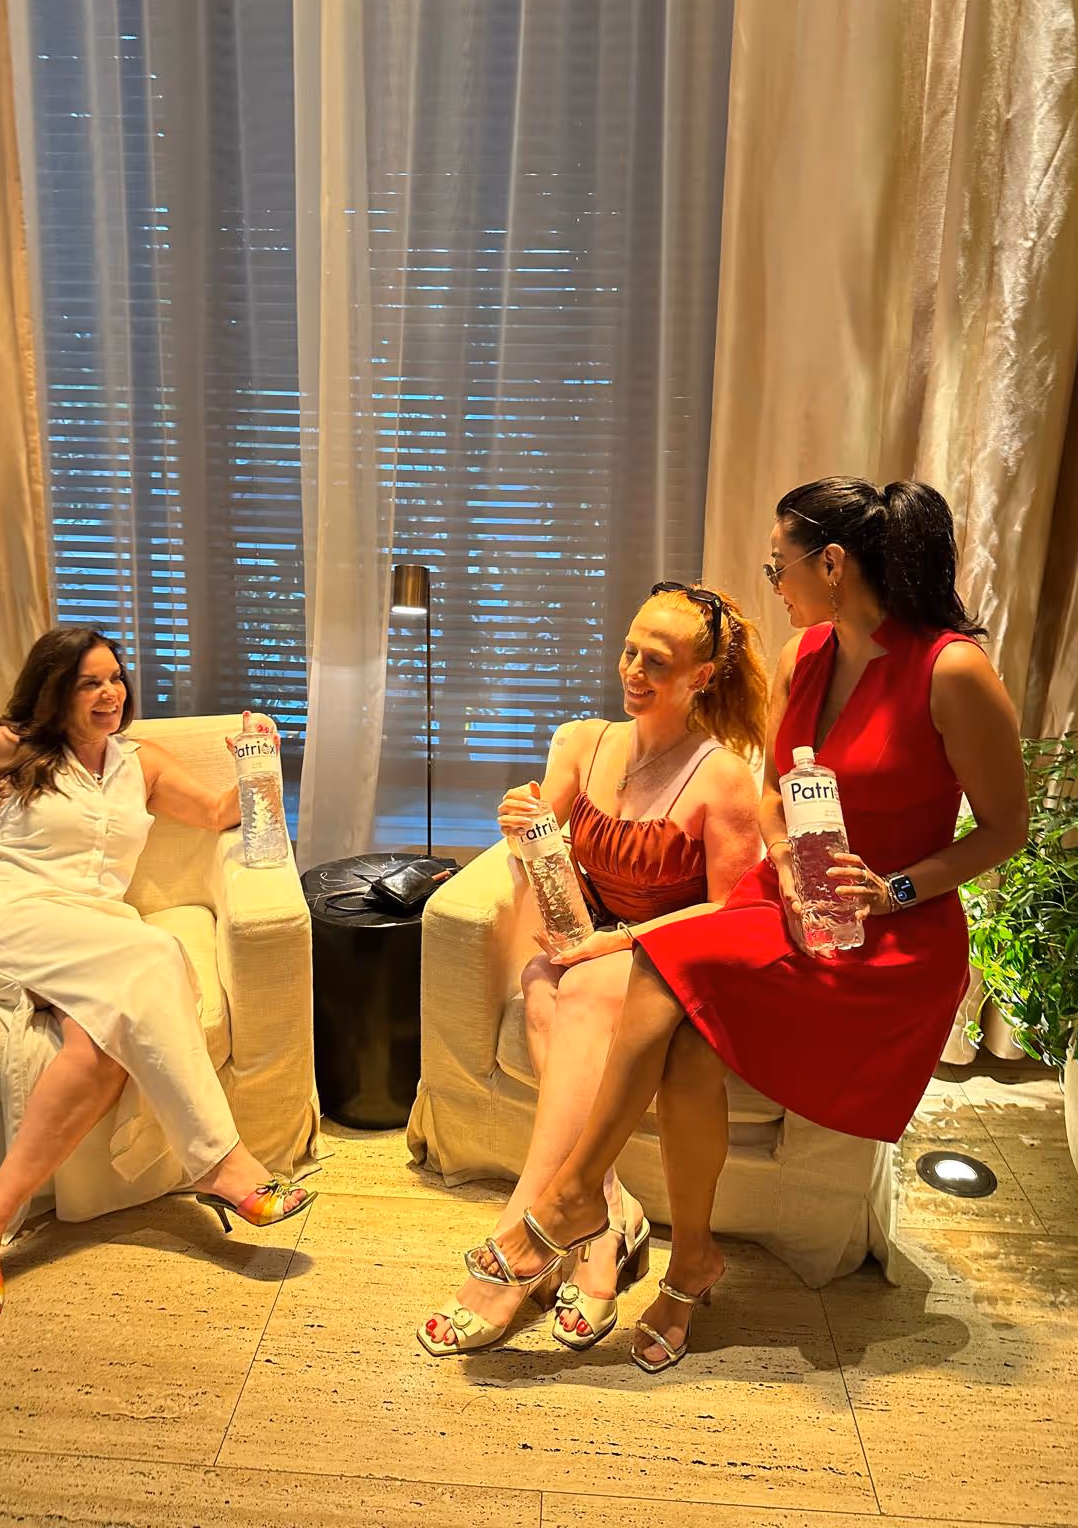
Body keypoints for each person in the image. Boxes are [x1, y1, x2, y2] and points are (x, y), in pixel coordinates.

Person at [462, 477, 1030, 1372]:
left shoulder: (951, 669)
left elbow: (1007, 830)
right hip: (791, 905)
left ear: (832, 564)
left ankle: (575, 1203)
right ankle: (686, 1260)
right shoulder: (810, 651)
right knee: (683, 1035)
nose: (773, 582)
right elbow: (774, 789)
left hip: (889, 941)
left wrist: (892, 891)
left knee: (659, 964)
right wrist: (793, 870)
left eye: (781, 563)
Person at [0, 626, 314, 1332]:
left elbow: (227, 815)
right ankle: (218, 1162)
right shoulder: (10, 748)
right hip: (10, 919)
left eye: (116, 678)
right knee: (159, 955)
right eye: (89, 682)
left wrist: (258, 755)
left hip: (97, 935)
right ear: (55, 691)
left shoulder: (143, 764)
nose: (111, 694)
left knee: (97, 1053)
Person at [417, 582, 767, 1355]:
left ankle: (521, 1236)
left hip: (681, 959)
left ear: (702, 676)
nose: (634, 671)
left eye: (659, 661)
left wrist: (615, 943)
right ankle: (605, 1227)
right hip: (595, 948)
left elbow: (735, 909)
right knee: (544, 985)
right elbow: (542, 851)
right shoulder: (582, 741)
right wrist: (520, 823)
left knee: (582, 980)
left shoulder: (722, 777)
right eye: (630, 650)